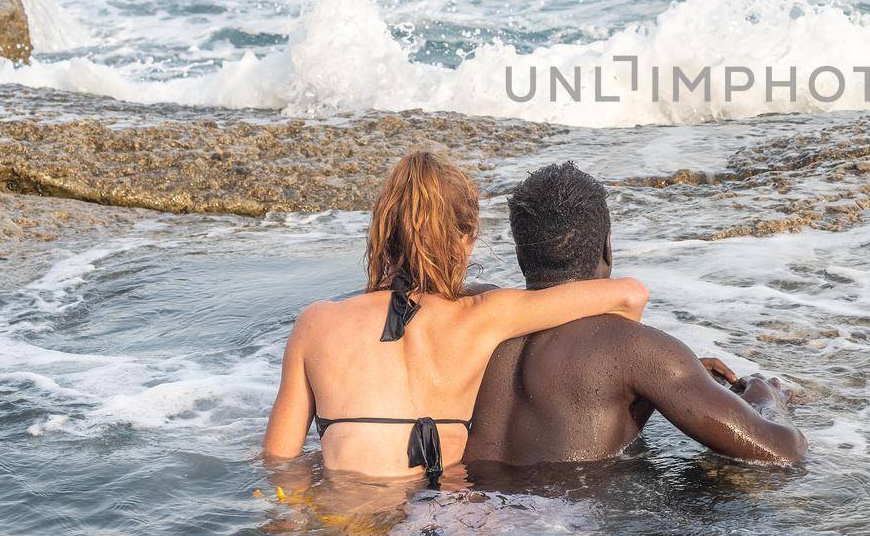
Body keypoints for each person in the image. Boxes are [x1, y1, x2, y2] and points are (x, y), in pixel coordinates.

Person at [262, 150, 650, 487]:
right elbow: (630, 296)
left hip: (349, 525)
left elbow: (279, 462)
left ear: (381, 231)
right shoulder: (485, 315)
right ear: (465, 238)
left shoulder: (315, 324)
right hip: (448, 530)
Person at [462, 162, 806, 467]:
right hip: (567, 530)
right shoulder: (639, 351)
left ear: (520, 257)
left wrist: (646, 384)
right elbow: (782, 452)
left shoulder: (463, 322)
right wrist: (766, 399)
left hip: (460, 511)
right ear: (607, 250)